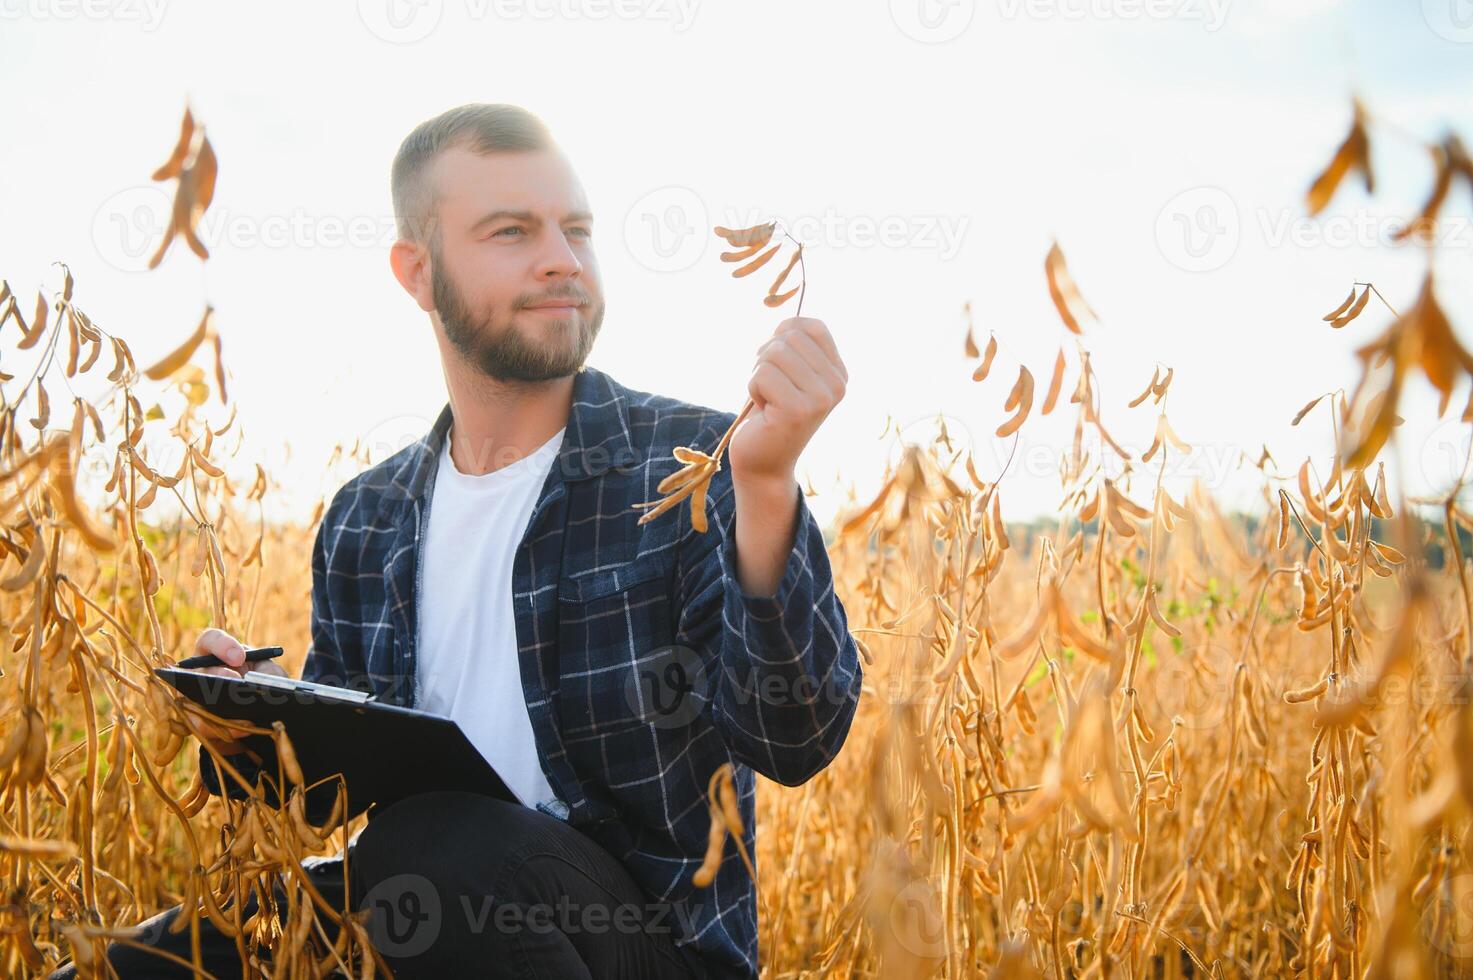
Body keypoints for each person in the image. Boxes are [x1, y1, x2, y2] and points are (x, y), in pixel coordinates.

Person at [52, 103, 861, 979]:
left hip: (643, 949)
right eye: (511, 231)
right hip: (422, 907)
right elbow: (330, 793)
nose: (562, 257)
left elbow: (795, 740)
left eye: (576, 228)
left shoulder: (698, 469)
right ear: (417, 270)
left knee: (441, 846)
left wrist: (767, 486)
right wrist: (247, 715)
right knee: (125, 966)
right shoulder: (367, 517)